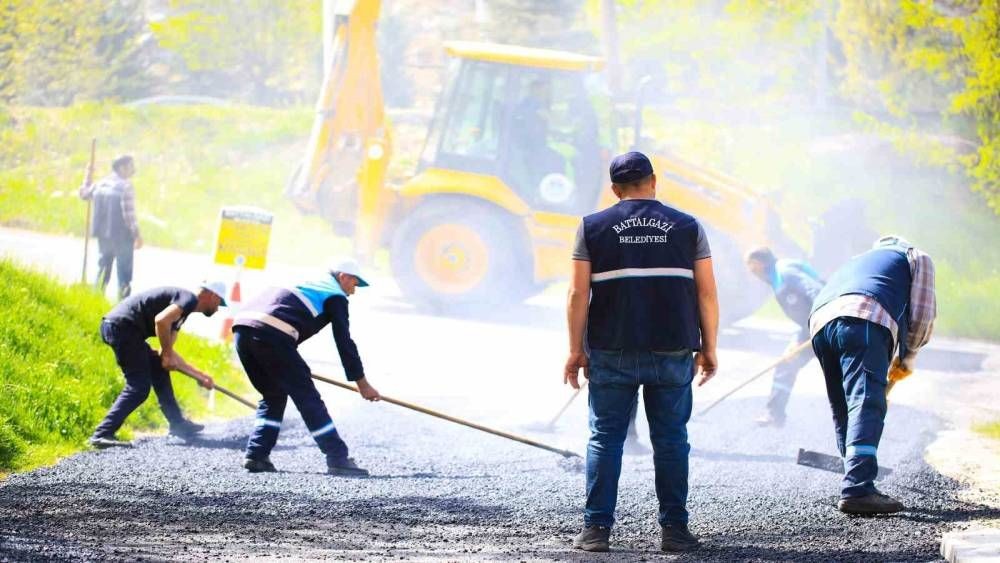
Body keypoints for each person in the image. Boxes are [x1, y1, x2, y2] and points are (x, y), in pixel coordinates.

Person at [564, 151, 719, 552]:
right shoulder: (688, 227)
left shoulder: (591, 227)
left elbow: (579, 293)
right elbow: (706, 292)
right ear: (654, 181)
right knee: (671, 440)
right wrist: (709, 347)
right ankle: (675, 532)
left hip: (611, 348)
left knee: (605, 439)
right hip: (672, 348)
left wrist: (573, 350)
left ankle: (596, 531)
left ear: (615, 190)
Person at [809, 235, 936, 514]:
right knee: (866, 400)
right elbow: (923, 314)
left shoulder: (859, 261)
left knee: (844, 404)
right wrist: (908, 356)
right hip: (864, 316)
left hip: (820, 322)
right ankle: (858, 487)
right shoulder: (915, 256)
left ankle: (854, 475)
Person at [232, 260, 381, 476]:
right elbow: (344, 342)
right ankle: (337, 457)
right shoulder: (334, 295)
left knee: (273, 394)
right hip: (273, 333)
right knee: (307, 397)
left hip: (242, 329)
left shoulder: (306, 281)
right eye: (354, 284)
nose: (353, 292)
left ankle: (256, 455)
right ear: (344, 277)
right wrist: (362, 384)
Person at [89, 283, 226, 449]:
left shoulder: (182, 313)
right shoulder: (188, 298)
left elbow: (166, 356)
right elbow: (161, 321)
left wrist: (199, 376)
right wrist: (167, 354)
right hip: (122, 327)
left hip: (124, 330)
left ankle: (177, 424)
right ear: (213, 296)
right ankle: (102, 433)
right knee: (139, 387)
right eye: (219, 303)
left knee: (158, 367)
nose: (218, 308)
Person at [745, 247, 825, 427]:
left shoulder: (785, 271)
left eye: (752, 267)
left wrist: (824, 320)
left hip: (826, 324)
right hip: (811, 327)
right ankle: (775, 414)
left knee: (842, 371)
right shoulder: (777, 276)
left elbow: (816, 291)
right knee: (787, 363)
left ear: (760, 263)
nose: (752, 272)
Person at [79, 155, 143, 300]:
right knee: (124, 274)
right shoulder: (126, 186)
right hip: (122, 236)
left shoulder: (101, 184)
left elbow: (84, 194)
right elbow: (129, 215)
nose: (133, 170)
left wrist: (87, 176)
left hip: (103, 235)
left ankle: (95, 300)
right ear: (121, 167)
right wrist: (137, 235)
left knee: (103, 268)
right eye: (130, 166)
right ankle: (123, 305)